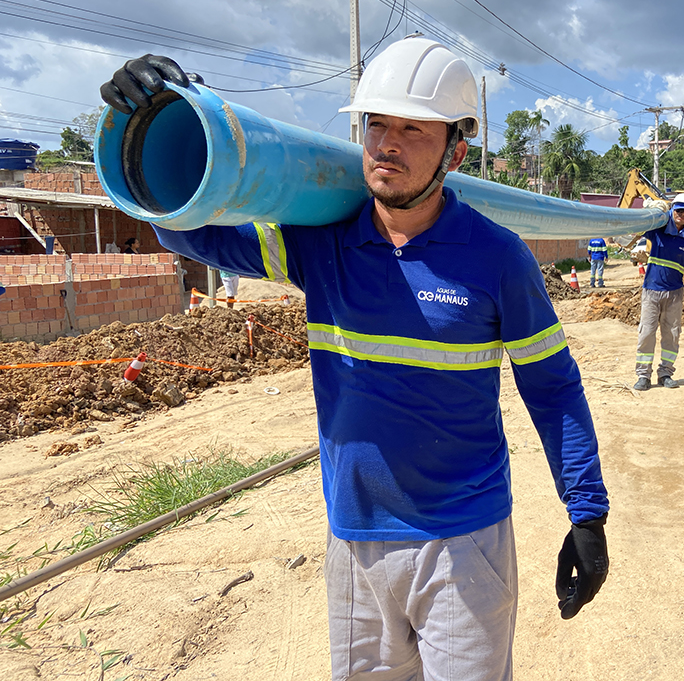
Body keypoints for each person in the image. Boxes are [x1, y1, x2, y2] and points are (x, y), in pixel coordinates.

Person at [100, 38, 609, 681]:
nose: (387, 143)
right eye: (376, 124)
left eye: (412, 128)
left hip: (462, 541)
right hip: (354, 541)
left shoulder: (497, 258)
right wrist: (167, 111)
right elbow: (190, 228)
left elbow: (553, 389)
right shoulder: (323, 246)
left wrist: (587, 513)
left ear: (454, 149)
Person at [633, 193, 684, 391]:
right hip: (652, 291)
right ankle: (643, 375)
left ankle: (665, 373)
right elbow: (637, 228)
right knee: (646, 333)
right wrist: (648, 211)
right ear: (672, 210)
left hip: (674, 294)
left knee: (671, 335)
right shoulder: (658, 230)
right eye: (678, 210)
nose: (681, 215)